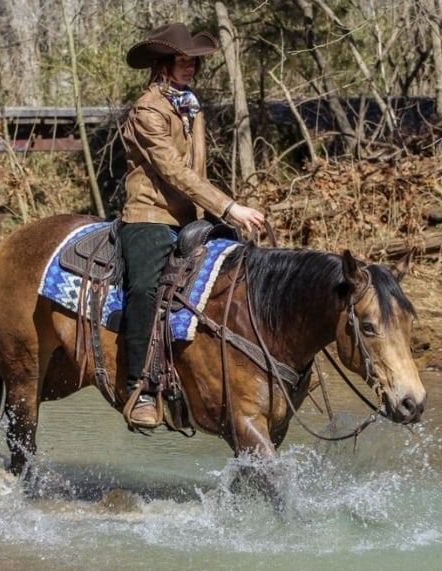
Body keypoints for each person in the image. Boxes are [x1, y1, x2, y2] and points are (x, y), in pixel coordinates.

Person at [119, 22, 265, 428]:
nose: (190, 67)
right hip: (150, 214)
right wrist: (229, 206)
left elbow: (196, 173)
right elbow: (173, 171)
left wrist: (215, 213)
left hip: (191, 216)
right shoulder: (148, 109)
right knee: (145, 289)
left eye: (194, 62)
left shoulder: (189, 106)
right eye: (182, 60)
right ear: (163, 64)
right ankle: (140, 387)